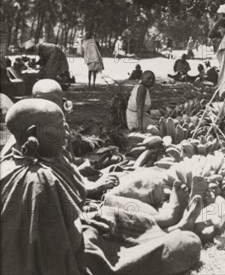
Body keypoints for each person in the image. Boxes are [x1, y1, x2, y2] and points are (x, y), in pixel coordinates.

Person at [1, 99, 202, 275]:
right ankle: (172, 230)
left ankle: (169, 222)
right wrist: (92, 229)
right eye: (60, 127)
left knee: (110, 213)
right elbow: (61, 251)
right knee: (188, 245)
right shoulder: (41, 179)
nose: (67, 133)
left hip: (69, 241)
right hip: (76, 259)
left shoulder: (11, 165)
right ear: (33, 133)